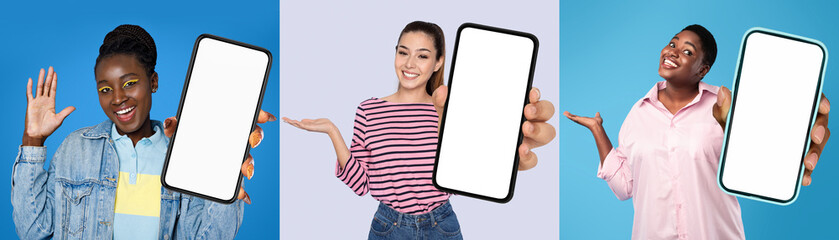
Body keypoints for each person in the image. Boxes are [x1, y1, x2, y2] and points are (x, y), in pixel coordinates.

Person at [283, 21, 556, 239]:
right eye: (403, 52)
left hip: (442, 225)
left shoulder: (447, 110)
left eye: (422, 56)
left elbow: (461, 177)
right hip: (388, 226)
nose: (410, 64)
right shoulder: (369, 110)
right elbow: (360, 184)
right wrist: (332, 130)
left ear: (438, 62)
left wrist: (497, 151)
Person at [564, 24, 831, 239]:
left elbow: (761, 164)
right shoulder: (637, 115)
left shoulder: (726, 106)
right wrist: (598, 132)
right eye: (672, 43)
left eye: (688, 51)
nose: (673, 51)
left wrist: (790, 130)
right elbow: (625, 188)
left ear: (702, 70)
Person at [12, 24, 274, 239]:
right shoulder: (75, 148)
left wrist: (226, 176)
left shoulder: (187, 152)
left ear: (154, 82)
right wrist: (33, 140)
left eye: (130, 83)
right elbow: (33, 232)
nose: (117, 98)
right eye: (105, 89)